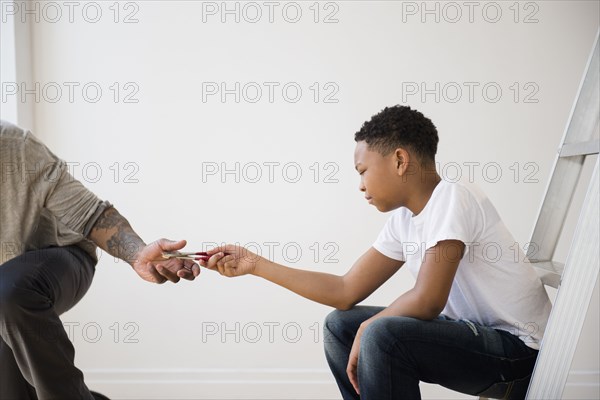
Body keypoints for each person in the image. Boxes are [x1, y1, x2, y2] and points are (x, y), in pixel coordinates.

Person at [201, 106, 552, 400]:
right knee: (341, 327)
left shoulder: (453, 196)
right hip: (477, 339)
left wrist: (371, 326)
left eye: (363, 170)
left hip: (520, 352)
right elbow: (344, 291)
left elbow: (429, 299)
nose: (360, 184)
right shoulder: (405, 219)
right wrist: (255, 264)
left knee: (380, 333)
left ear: (399, 160)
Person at [0, 120, 200, 400]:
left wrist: (137, 253)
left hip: (57, 258)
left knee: (9, 292)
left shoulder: (14, 145)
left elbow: (91, 214)